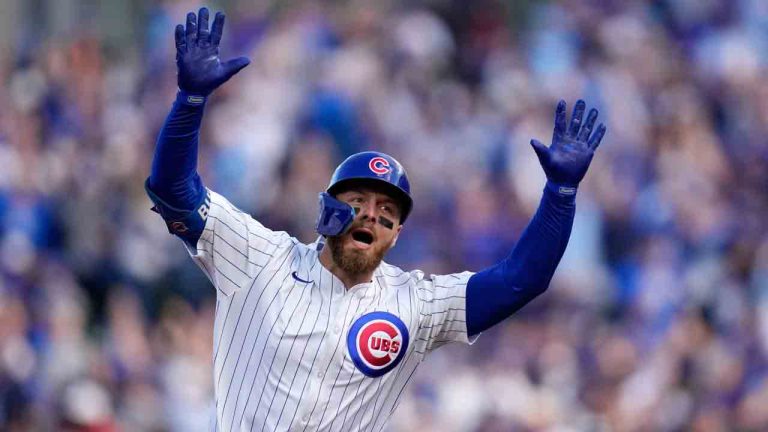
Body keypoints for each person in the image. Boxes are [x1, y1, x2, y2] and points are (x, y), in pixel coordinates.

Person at [145, 8, 606, 432]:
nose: (371, 214)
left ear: (397, 234)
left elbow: (521, 279)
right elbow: (173, 190)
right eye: (358, 199)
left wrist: (560, 195)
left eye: (387, 211)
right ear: (326, 207)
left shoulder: (415, 304)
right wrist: (189, 101)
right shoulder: (259, 258)